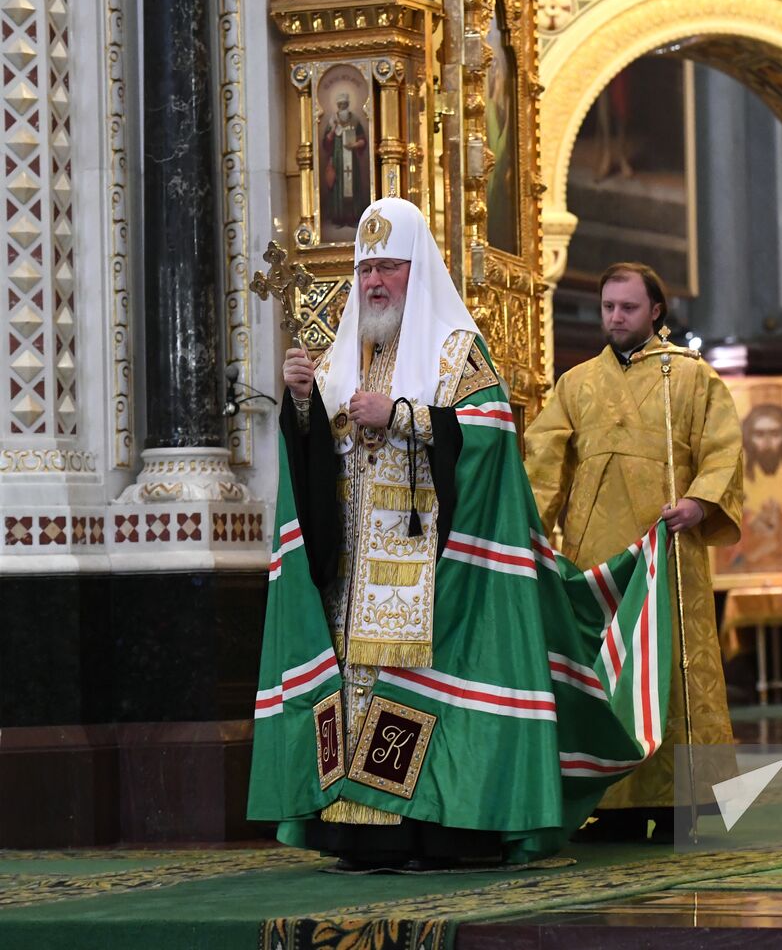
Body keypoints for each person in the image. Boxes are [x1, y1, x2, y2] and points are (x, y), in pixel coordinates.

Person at [248, 200, 674, 870]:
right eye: (365, 268)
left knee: (424, 696)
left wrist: (407, 415)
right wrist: (303, 403)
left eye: (388, 265)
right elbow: (317, 458)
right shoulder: (340, 354)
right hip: (354, 571)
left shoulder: (455, 351)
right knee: (358, 692)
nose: (374, 281)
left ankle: (438, 829)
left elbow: (493, 431)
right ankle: (361, 831)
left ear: (417, 269)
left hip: (435, 569)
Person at [524, 261, 744, 840]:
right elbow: (544, 471)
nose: (615, 317)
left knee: (672, 669)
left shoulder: (692, 379)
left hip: (668, 553)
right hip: (598, 560)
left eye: (627, 307)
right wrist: (527, 535)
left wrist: (700, 502)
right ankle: (612, 803)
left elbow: (724, 450)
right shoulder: (574, 384)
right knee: (606, 675)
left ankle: (683, 803)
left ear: (655, 312)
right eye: (608, 307)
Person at [321, 92, 369, 228]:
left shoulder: (355, 120)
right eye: (340, 104)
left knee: (352, 185)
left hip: (351, 159)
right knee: (338, 186)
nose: (342, 106)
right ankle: (339, 217)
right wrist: (333, 131)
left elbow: (363, 139)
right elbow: (326, 142)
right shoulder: (333, 121)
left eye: (344, 104)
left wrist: (355, 144)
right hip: (337, 159)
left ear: (348, 104)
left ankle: (352, 217)